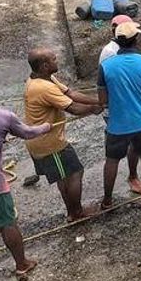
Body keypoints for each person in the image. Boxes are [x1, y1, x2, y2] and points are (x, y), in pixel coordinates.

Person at [24, 48, 103, 221]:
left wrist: (100, 100)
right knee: (75, 173)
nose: (57, 60)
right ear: (45, 66)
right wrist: (93, 109)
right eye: (53, 59)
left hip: (40, 140)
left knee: (64, 176)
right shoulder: (43, 87)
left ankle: (71, 212)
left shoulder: (44, 78)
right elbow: (73, 108)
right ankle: (77, 212)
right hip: (48, 143)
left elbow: (71, 94)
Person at [98, 21, 141, 211]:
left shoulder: (105, 66)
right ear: (136, 39)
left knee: (111, 160)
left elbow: (103, 100)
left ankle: (107, 201)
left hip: (117, 124)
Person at [0, 107, 50, 280]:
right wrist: (47, 126)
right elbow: (28, 133)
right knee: (7, 223)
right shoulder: (2, 116)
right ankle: (21, 264)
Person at [97, 14, 141, 194]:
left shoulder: (123, 50)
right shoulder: (111, 53)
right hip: (118, 109)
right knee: (119, 151)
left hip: (126, 106)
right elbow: (109, 85)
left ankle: (134, 175)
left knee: (136, 145)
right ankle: (132, 177)